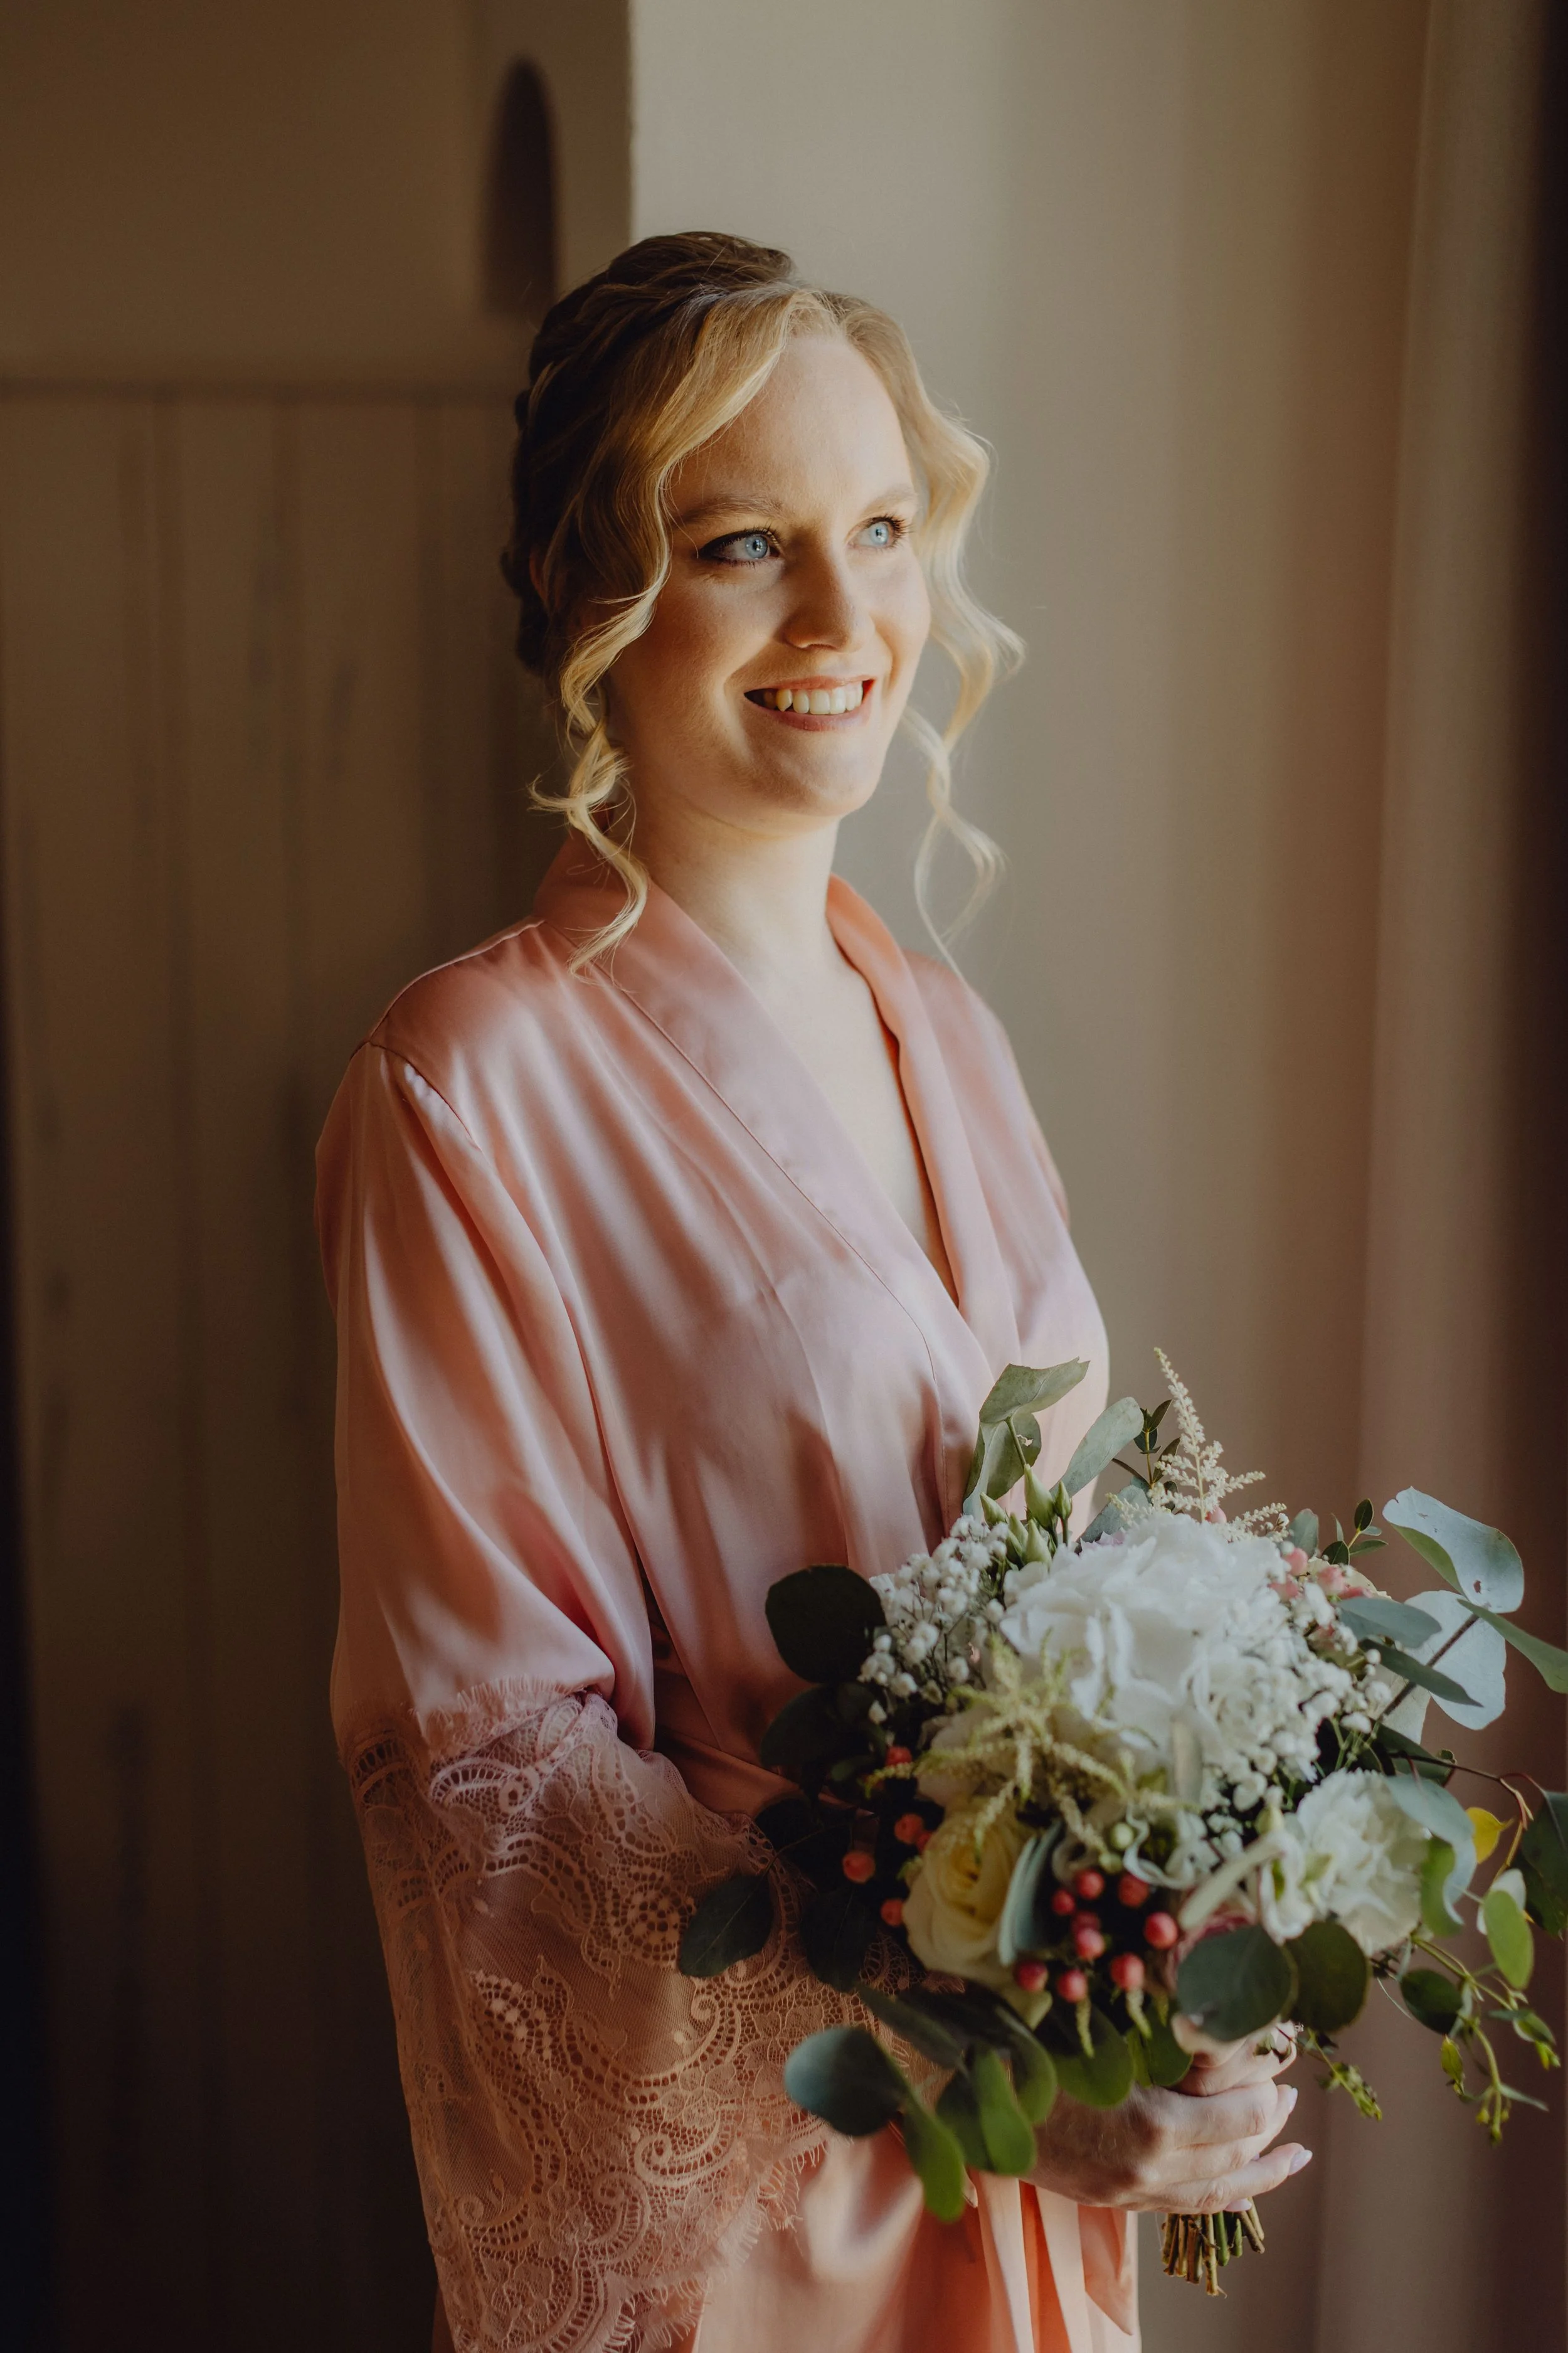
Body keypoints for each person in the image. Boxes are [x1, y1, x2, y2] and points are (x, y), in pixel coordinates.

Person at [316, 231, 1308, 2353]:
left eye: (878, 529)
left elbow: (1081, 1561)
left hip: (1046, 2179)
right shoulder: (461, 1087)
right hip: (773, 2230)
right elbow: (489, 1762)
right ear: (599, 603)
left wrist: (1185, 1899)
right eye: (748, 545)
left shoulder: (938, 1026)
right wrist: (974, 2065)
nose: (847, 619)